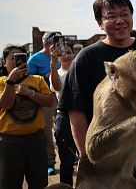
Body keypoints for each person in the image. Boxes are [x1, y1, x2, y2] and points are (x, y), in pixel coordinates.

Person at [59, 0, 136, 188]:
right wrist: (88, 158)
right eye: (111, 16)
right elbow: (76, 112)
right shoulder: (86, 58)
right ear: (99, 23)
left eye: (124, 14)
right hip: (110, 158)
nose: (120, 21)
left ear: (132, 16)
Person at [0, 45, 54, 189]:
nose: (18, 61)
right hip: (9, 142)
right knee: (9, 183)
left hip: (36, 139)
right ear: (4, 63)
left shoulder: (37, 79)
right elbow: (4, 104)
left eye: (22, 58)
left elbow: (49, 101)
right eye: (13, 58)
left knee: (39, 182)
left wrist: (29, 93)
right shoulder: (1, 82)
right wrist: (11, 81)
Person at [27, 31, 59, 175]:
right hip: (47, 97)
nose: (58, 44)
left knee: (64, 126)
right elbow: (29, 81)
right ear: (46, 43)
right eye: (55, 41)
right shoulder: (34, 59)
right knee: (47, 130)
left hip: (62, 94)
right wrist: (45, 77)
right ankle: (50, 162)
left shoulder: (60, 55)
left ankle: (71, 156)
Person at [49, 41, 77, 186]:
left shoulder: (82, 70)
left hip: (84, 115)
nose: (66, 55)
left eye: (69, 52)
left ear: (74, 54)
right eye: (62, 53)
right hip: (65, 117)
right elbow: (57, 86)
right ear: (58, 56)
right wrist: (52, 65)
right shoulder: (57, 73)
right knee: (66, 161)